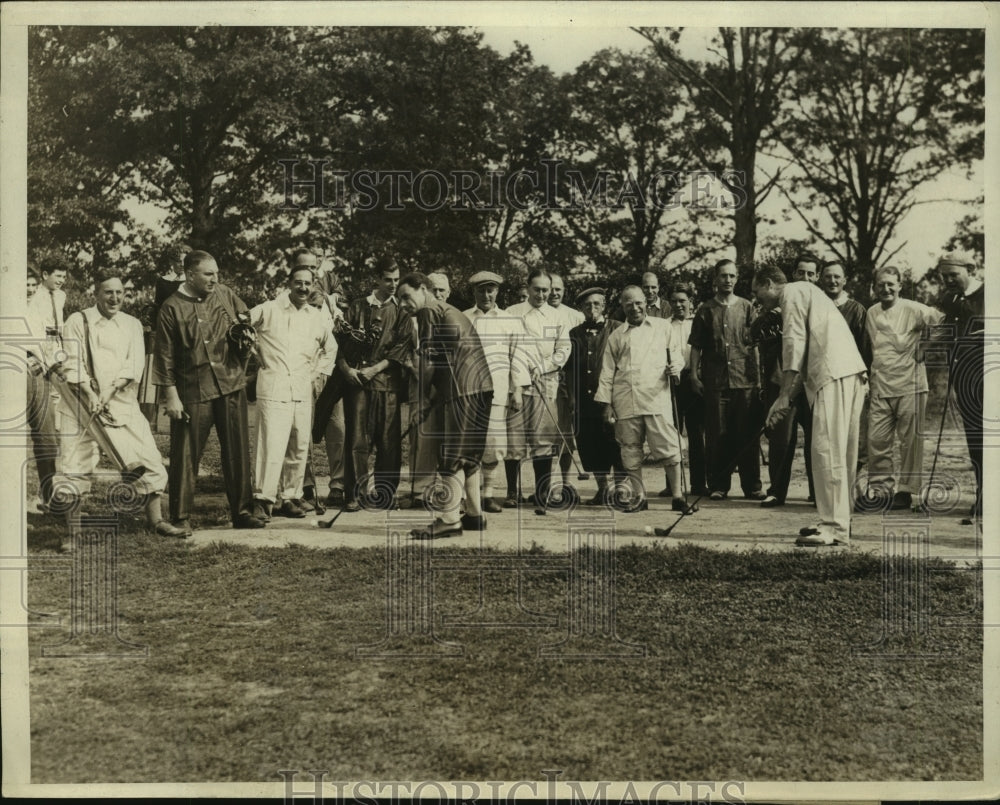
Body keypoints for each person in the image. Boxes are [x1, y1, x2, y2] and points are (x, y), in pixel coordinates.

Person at [55, 269, 187, 537]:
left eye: (119, 292)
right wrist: (91, 394)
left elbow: (134, 365)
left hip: (121, 402)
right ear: (96, 294)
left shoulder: (132, 324)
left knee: (148, 458)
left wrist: (109, 392)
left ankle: (155, 521)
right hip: (79, 404)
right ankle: (72, 533)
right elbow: (72, 363)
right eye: (108, 292)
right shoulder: (77, 321)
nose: (114, 298)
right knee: (73, 465)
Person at [752, 265, 867, 545]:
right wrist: (784, 399)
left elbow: (794, 343)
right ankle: (839, 522)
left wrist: (782, 396)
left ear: (769, 284)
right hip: (846, 374)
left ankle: (833, 527)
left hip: (833, 374)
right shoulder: (807, 293)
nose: (757, 299)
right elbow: (803, 358)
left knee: (826, 450)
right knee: (840, 452)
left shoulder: (791, 293)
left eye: (757, 292)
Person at [152, 249, 264, 532]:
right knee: (185, 454)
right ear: (190, 275)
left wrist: (246, 337)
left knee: (237, 451)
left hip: (231, 383)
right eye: (208, 274)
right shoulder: (171, 307)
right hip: (193, 389)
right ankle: (180, 516)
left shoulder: (225, 294)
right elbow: (164, 356)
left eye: (216, 273)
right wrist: (171, 396)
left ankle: (242, 512)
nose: (215, 279)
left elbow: (245, 320)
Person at [396, 272, 493, 539]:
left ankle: (449, 521)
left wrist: (421, 400)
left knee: (452, 456)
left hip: (462, 390)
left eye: (406, 296)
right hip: (480, 389)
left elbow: (427, 360)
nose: (403, 304)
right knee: (469, 456)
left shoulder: (428, 310)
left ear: (423, 289)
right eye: (399, 300)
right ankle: (474, 515)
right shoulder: (444, 309)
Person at [316, 256, 413, 511]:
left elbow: (401, 348)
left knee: (389, 441)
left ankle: (385, 495)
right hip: (356, 383)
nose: (393, 285)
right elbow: (337, 342)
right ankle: (354, 495)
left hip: (387, 385)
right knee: (356, 440)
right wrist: (346, 369)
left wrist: (375, 369)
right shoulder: (357, 307)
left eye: (396, 280)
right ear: (377, 279)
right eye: (388, 279)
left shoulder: (402, 312)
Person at [247, 264, 336, 521]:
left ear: (313, 285)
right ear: (289, 283)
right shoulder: (269, 309)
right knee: (270, 446)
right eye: (298, 282)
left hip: (302, 389)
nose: (303, 288)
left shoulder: (316, 316)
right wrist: (255, 351)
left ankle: (290, 497)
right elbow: (240, 326)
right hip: (273, 387)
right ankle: (262, 500)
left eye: (308, 283)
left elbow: (331, 348)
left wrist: (318, 374)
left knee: (298, 445)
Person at [595, 286, 695, 514]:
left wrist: (675, 367)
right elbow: (607, 372)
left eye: (639, 302)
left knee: (669, 447)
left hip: (656, 398)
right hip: (626, 399)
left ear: (645, 303)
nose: (635, 308)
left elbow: (676, 354)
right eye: (629, 304)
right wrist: (607, 405)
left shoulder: (662, 327)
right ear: (622, 306)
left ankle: (677, 496)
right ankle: (639, 497)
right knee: (630, 449)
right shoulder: (616, 336)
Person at [858, 266, 944, 512]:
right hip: (880, 384)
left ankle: (905, 492)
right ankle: (881, 491)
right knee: (876, 440)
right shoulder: (871, 312)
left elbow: (943, 321)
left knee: (910, 443)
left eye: (890, 284)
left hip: (910, 384)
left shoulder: (913, 308)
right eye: (881, 284)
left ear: (899, 286)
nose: (886, 288)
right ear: (874, 287)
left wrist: (924, 347)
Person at [688, 259, 764, 501]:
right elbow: (696, 346)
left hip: (745, 381)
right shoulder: (705, 310)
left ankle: (752, 486)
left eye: (732, 276)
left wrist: (758, 379)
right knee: (717, 435)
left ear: (737, 279)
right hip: (715, 383)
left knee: (747, 434)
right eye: (723, 275)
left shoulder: (747, 307)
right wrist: (694, 375)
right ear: (715, 279)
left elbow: (755, 346)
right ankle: (718, 485)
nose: (728, 280)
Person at [504, 268, 571, 512]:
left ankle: (542, 491)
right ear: (527, 288)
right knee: (514, 438)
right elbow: (506, 348)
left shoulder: (557, 317)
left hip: (546, 382)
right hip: (515, 384)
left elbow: (563, 349)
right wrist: (521, 372)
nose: (541, 295)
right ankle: (513, 492)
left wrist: (542, 367)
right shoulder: (512, 313)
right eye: (537, 290)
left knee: (543, 438)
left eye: (546, 290)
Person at [463, 271, 529, 513]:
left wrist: (517, 390)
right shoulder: (463, 318)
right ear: (474, 291)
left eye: (490, 290)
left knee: (493, 444)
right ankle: (466, 498)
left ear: (497, 291)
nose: (486, 295)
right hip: (467, 393)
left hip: (498, 392)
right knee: (467, 445)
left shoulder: (509, 320)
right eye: (481, 290)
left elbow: (517, 357)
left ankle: (487, 495)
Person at [934, 251, 984, 525]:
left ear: (971, 269)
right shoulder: (949, 299)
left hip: (989, 378)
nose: (949, 280)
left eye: (954, 275)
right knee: (975, 439)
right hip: (963, 379)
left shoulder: (989, 294)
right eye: (945, 276)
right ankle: (983, 495)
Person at [566, 287, 624, 505]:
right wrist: (572, 397)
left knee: (615, 444)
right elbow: (570, 368)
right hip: (584, 400)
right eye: (587, 305)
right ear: (581, 308)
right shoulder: (574, 333)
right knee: (591, 444)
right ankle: (602, 490)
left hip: (611, 398)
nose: (592, 308)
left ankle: (620, 490)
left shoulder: (617, 328)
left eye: (596, 304)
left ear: (604, 306)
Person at [24, 254, 69, 513]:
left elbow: (52, 336)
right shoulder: (25, 303)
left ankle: (49, 496)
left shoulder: (55, 298)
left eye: (32, 285)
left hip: (43, 368)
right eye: (57, 276)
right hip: (20, 370)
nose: (30, 290)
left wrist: (55, 362)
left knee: (47, 436)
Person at [664, 282, 707, 496]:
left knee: (696, 434)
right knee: (671, 435)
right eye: (673, 301)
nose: (678, 305)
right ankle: (673, 486)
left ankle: (698, 484)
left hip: (694, 380)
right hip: (671, 382)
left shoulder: (699, 322)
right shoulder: (664, 325)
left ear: (691, 301)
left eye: (682, 301)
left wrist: (697, 375)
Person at [790, 253, 821, 501]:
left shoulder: (823, 306)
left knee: (816, 439)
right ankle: (777, 491)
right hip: (790, 382)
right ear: (793, 275)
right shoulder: (788, 302)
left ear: (817, 277)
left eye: (811, 274)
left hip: (815, 383)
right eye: (801, 273)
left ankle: (816, 491)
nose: (806, 278)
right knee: (784, 438)